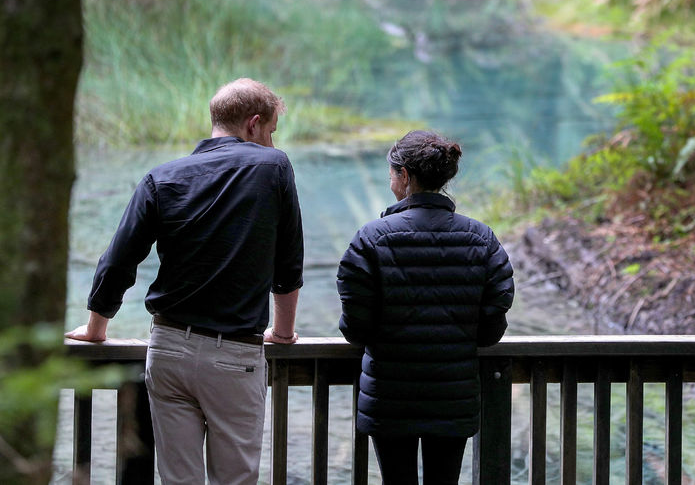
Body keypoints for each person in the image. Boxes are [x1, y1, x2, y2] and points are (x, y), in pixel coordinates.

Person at [66, 78, 304, 485]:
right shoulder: (274, 166)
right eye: (270, 133)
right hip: (235, 355)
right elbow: (288, 261)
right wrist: (282, 333)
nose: (270, 142)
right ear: (254, 124)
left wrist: (95, 328)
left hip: (169, 349)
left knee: (178, 479)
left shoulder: (162, 177)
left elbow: (120, 258)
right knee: (235, 479)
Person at [337, 130, 515, 485]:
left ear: (404, 176)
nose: (391, 182)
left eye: (391, 175)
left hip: (389, 395)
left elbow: (355, 327)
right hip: (454, 393)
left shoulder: (371, 239)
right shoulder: (482, 238)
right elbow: (493, 324)